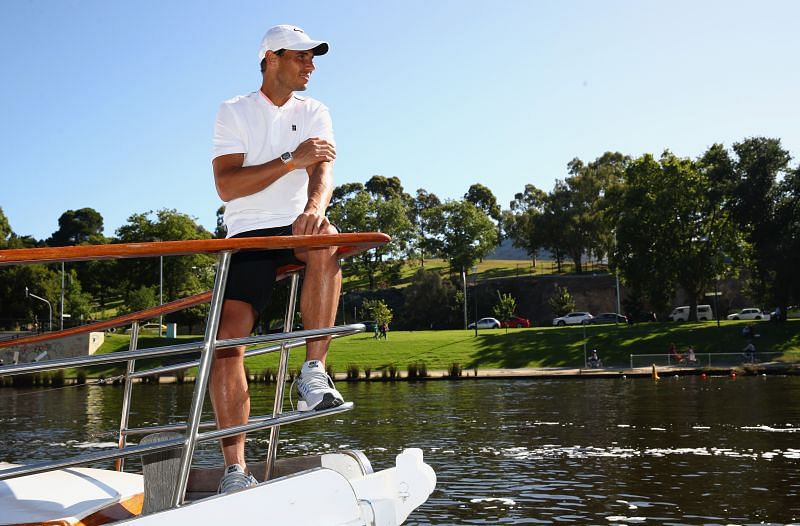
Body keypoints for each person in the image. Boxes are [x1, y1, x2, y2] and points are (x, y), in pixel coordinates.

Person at [211, 24, 341, 493]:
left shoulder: (316, 111)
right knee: (228, 343)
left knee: (326, 238)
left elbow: (322, 172)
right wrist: (290, 159)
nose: (311, 65)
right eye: (301, 57)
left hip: (296, 223)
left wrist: (312, 210)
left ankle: (313, 373)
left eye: (313, 58)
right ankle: (235, 472)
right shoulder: (234, 111)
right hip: (247, 233)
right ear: (271, 58)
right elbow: (228, 186)